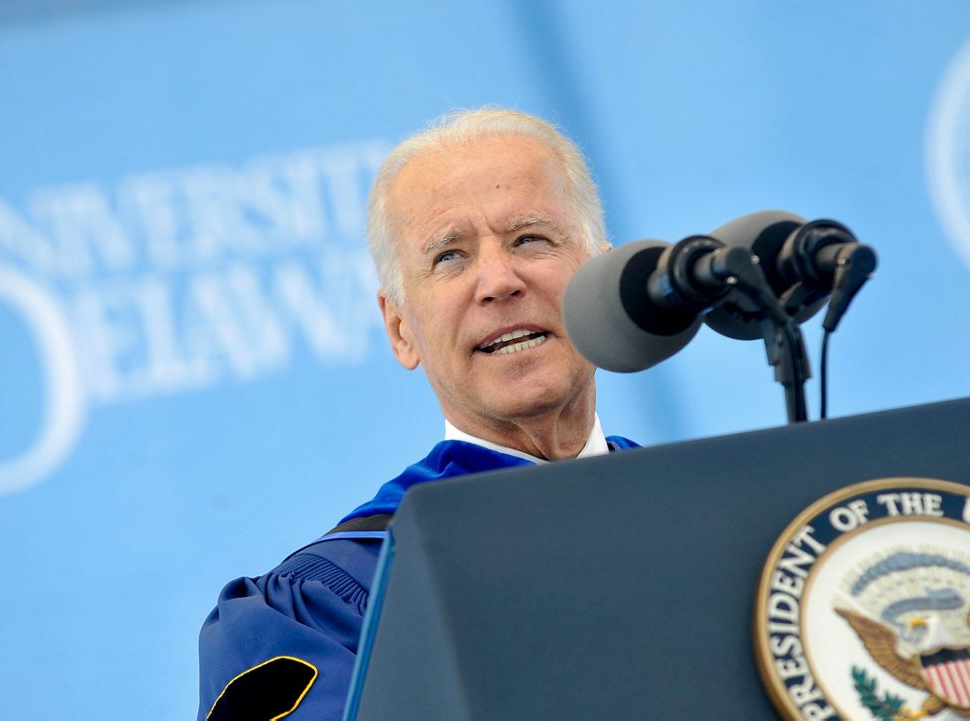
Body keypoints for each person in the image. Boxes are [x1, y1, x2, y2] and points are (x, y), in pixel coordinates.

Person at [196, 108, 639, 721]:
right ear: (400, 328)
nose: (498, 281)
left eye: (530, 238)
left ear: (605, 280)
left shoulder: (714, 520)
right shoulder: (326, 608)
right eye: (450, 257)